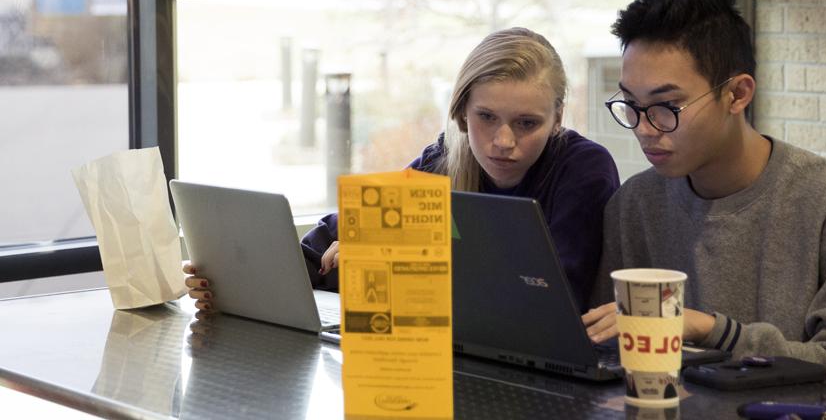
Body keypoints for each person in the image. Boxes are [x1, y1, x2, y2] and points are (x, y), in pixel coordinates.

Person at [581, 0, 826, 384]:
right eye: (631, 104)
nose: (644, 127)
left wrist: (714, 331)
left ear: (737, 94)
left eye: (666, 105)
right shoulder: (634, 204)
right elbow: (608, 350)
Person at [186, 27, 620, 312]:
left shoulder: (583, 170)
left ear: (558, 116)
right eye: (486, 117)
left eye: (527, 123)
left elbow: (550, 301)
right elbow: (318, 250)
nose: (503, 141)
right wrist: (227, 284)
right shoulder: (443, 162)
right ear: (461, 112)